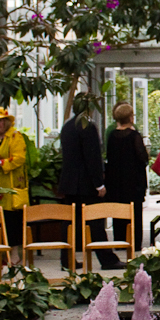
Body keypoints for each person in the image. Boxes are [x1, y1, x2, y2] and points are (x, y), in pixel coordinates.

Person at [58, 95, 124, 270]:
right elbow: (92, 157)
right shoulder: (88, 126)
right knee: (95, 222)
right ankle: (107, 259)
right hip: (85, 184)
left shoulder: (67, 126)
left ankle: (67, 260)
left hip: (70, 183)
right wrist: (99, 184)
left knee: (69, 223)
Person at [0, 106, 29, 265]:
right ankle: (0, 253)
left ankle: (14, 255)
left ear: (7, 122)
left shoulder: (15, 137)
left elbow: (19, 159)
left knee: (11, 220)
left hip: (10, 187)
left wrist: (0, 163)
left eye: (0, 121)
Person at [104, 101, 149, 252]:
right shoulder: (134, 136)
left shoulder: (112, 136)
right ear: (130, 118)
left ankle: (119, 241)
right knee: (134, 212)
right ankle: (134, 242)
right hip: (133, 180)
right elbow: (142, 158)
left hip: (116, 180)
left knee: (118, 212)